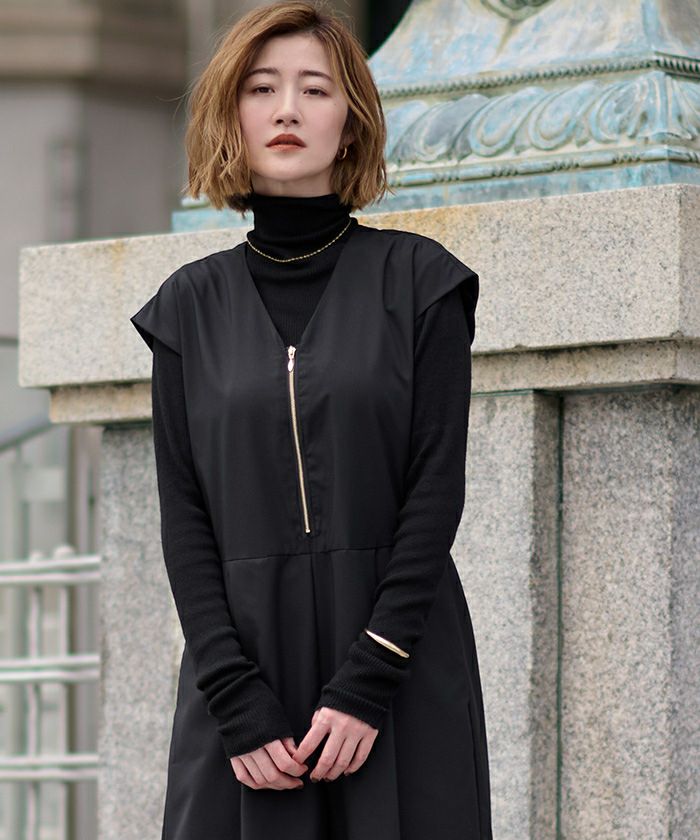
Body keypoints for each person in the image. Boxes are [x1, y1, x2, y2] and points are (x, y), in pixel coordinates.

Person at [130, 2, 493, 838]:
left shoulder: (422, 284)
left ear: (351, 122)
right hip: (243, 680)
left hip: (397, 668)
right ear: (232, 115)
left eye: (315, 89)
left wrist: (372, 675)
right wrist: (231, 692)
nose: (287, 109)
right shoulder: (186, 309)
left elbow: (435, 493)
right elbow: (184, 514)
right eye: (262, 89)